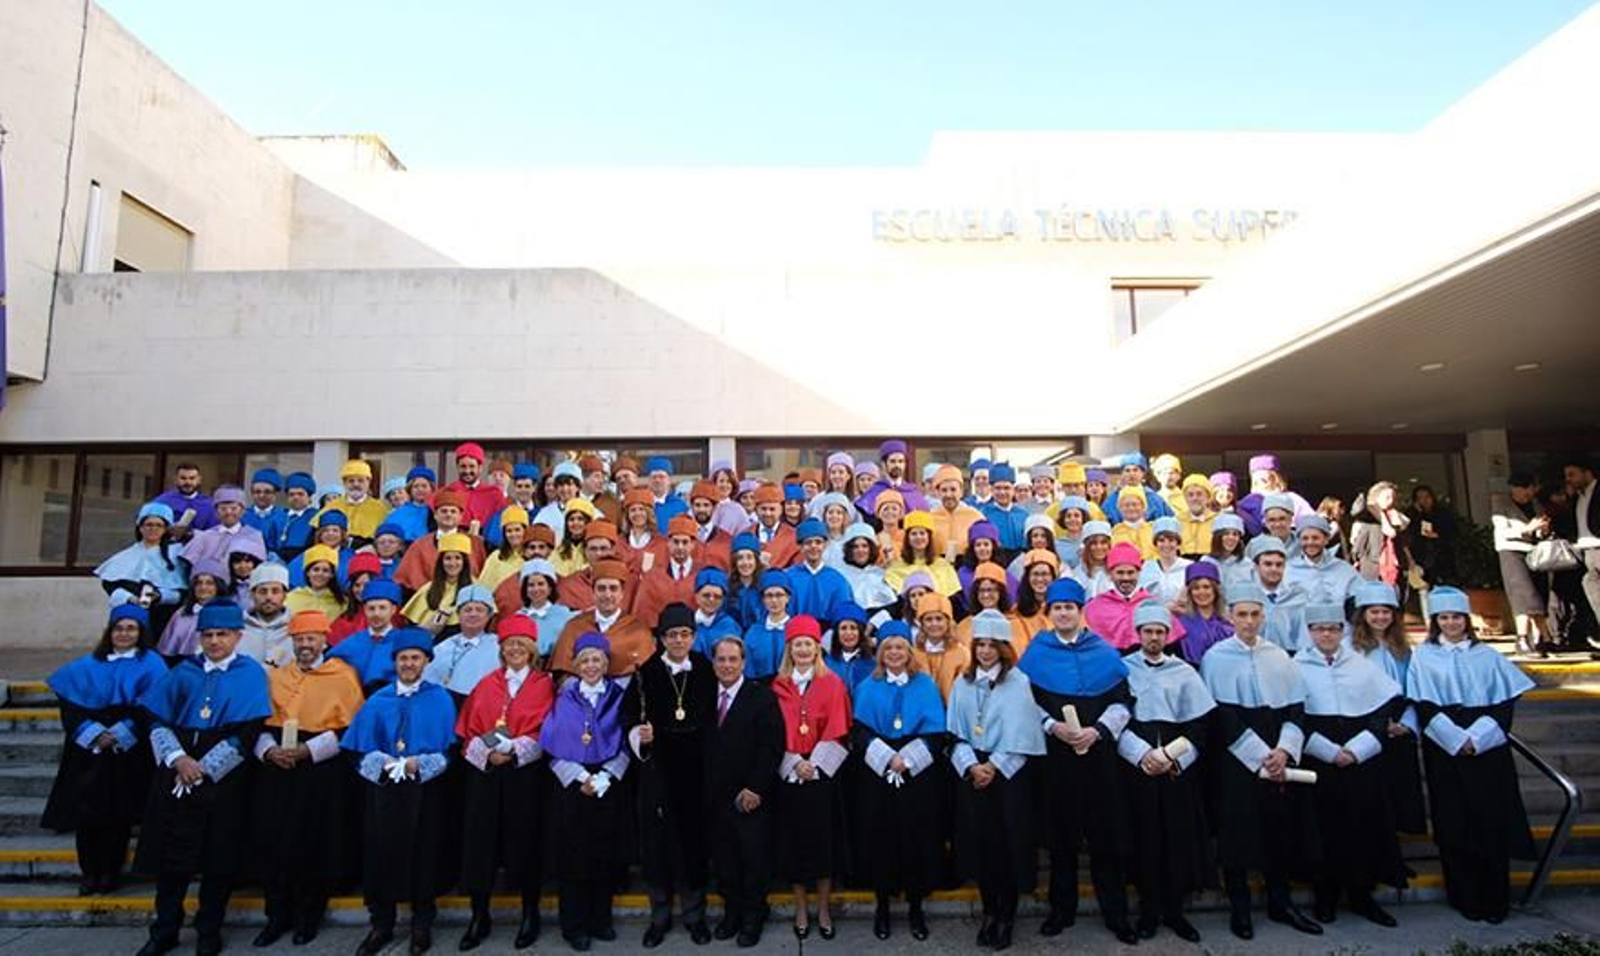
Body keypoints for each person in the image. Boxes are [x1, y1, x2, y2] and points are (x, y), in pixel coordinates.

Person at [132, 599, 271, 956]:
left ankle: (209, 927)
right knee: (171, 858)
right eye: (207, 634)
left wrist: (205, 767)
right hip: (177, 768)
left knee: (218, 857)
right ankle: (165, 928)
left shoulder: (250, 673)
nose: (214, 641)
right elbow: (156, 717)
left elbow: (248, 729)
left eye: (222, 634)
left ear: (238, 636)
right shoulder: (183, 671)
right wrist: (178, 758)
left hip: (223, 774)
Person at [1016, 577, 1138, 943]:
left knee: (1105, 838)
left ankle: (1116, 913)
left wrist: (1098, 730)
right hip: (1056, 758)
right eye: (1058, 608)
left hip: (1099, 757)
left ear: (1080, 611)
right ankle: (1061, 910)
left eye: (1070, 607)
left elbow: (1123, 701)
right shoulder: (1037, 653)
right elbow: (1025, 705)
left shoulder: (1102, 651)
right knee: (1061, 838)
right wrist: (1053, 727)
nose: (1064, 613)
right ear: (1049, 613)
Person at [1199, 584, 1323, 940]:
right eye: (1242, 614)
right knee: (1237, 834)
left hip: (1277, 753)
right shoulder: (1216, 657)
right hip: (1236, 758)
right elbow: (1220, 714)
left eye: (1255, 614)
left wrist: (1283, 750)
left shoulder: (1280, 656)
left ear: (1263, 616)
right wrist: (1259, 756)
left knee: (1278, 830)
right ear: (1230, 616)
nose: (1249, 621)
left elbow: (1295, 708)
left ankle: (1280, 902)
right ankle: (1240, 909)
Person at [1407, 586, 1537, 924]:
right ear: (1435, 621)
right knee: (1454, 822)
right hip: (1444, 748)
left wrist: (1477, 739)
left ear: (1467, 620)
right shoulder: (1422, 656)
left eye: (1457, 617)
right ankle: (1463, 896)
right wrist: (1453, 739)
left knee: (1491, 822)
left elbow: (1504, 704)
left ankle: (1495, 898)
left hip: (1487, 747)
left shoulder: (1490, 656)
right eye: (1444, 618)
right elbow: (1423, 704)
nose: (1451, 623)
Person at [250, 610, 366, 947]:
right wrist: (269, 751)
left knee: (313, 843)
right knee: (275, 841)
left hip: (318, 767)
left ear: (324, 640)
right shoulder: (277, 677)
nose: (305, 645)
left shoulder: (342, 675)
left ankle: (307, 915)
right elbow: (259, 722)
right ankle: (276, 915)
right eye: (300, 639)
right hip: (277, 766)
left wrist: (307, 751)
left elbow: (347, 728)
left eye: (311, 639)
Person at [342, 628, 457, 956]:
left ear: (425, 662)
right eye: (403, 658)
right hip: (384, 791)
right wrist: (383, 761)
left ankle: (421, 925)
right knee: (381, 854)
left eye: (415, 658)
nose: (409, 664)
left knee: (425, 853)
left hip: (424, 790)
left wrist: (421, 764)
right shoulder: (378, 700)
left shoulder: (439, 698)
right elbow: (357, 747)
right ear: (395, 662)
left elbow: (450, 748)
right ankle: (381, 924)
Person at [43, 605, 169, 896]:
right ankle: (90, 873)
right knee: (87, 815)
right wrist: (92, 734)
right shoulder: (86, 665)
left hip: (127, 750)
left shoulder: (152, 664)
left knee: (118, 816)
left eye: (131, 628)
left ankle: (110, 872)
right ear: (109, 632)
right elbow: (70, 706)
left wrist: (121, 733)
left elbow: (150, 705)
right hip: (87, 749)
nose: (124, 634)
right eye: (119, 628)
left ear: (141, 633)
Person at [1294, 603, 1405, 927]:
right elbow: (1292, 715)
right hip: (1319, 761)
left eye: (1332, 628)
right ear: (1310, 632)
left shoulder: (1361, 665)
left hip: (1360, 760)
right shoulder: (1295, 666)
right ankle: (1325, 897)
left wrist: (1357, 750)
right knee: (1322, 830)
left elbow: (1382, 711)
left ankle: (1362, 896)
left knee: (1363, 828)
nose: (1326, 634)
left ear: (1342, 631)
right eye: (1319, 628)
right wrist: (1328, 751)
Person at [944, 610, 1045, 950]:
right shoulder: (963, 681)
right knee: (982, 847)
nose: (985, 651)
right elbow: (955, 732)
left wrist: (995, 766)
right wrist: (973, 765)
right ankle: (988, 911)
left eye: (992, 645)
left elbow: (1025, 733)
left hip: (1007, 775)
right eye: (980, 644)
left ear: (1004, 647)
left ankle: (1006, 915)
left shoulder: (1019, 682)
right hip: (973, 770)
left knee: (1008, 847)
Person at [454, 614, 554, 951]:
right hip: (486, 774)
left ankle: (530, 913)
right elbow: (467, 729)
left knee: (525, 842)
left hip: (525, 775)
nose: (514, 649)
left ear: (531, 649)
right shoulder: (486, 683)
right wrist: (488, 753)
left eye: (520, 645)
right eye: (509, 644)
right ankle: (479, 914)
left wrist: (516, 750)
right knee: (479, 843)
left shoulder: (543, 684)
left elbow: (548, 728)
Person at [622, 604, 719, 948]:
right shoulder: (644, 674)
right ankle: (659, 915)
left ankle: (695, 915)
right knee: (657, 847)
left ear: (693, 636)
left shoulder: (707, 670)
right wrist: (639, 736)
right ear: (660, 638)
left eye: (684, 634)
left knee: (693, 845)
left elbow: (713, 721)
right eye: (671, 635)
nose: (678, 640)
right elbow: (629, 717)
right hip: (657, 772)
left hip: (695, 772)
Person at [1117, 603, 1213, 943]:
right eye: (1148, 631)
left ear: (1168, 634)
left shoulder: (1184, 671)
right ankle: (1148, 910)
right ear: (1138, 634)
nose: (1154, 637)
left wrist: (1175, 760)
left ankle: (1175, 910)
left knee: (1176, 838)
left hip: (1175, 766)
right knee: (1145, 840)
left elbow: (1199, 723)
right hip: (1138, 766)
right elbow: (1116, 718)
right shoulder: (1122, 668)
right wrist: (1140, 755)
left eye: (1160, 631)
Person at [850, 625, 947, 941]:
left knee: (916, 837)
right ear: (880, 654)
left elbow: (935, 733)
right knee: (882, 838)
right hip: (879, 772)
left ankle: (916, 908)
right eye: (888, 648)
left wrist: (907, 759)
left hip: (915, 772)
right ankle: (882, 907)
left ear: (909, 652)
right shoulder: (868, 686)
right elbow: (860, 731)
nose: (894, 653)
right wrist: (887, 758)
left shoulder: (925, 685)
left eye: (900, 648)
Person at [541, 633, 633, 951]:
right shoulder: (563, 698)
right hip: (573, 785)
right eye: (585, 661)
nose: (591, 665)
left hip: (608, 783)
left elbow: (626, 741)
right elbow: (552, 744)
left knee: (604, 853)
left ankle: (600, 919)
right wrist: (579, 776)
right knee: (573, 857)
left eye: (597, 660)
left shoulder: (618, 696)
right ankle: (574, 925)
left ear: (606, 664)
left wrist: (607, 776)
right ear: (576, 665)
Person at [771, 617, 852, 943]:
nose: (802, 649)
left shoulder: (832, 683)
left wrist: (813, 765)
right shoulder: (777, 686)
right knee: (794, 846)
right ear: (789, 648)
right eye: (797, 644)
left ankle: (823, 908)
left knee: (822, 846)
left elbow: (838, 727)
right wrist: (794, 763)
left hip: (821, 778)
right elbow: (771, 731)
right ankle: (801, 907)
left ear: (817, 648)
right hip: (789, 776)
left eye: (808, 644)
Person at [704, 634, 785, 948]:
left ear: (743, 662)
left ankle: (753, 916)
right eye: (721, 659)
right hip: (714, 796)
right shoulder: (703, 695)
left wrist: (755, 787)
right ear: (713, 662)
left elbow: (771, 746)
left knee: (753, 860)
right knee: (725, 860)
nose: (726, 665)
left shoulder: (760, 697)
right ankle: (732, 913)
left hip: (749, 795)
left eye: (732, 659)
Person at [1349, 581, 1427, 836]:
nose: (1380, 617)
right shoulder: (1352, 650)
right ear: (1363, 615)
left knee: (1399, 791)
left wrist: (1406, 723)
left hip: (1399, 726)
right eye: (1374, 611)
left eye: (1386, 611)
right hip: (1366, 724)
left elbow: (1415, 691)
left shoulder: (1404, 650)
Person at [546, 558, 657, 680]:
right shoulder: (574, 626)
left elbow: (648, 675)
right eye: (601, 588)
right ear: (593, 592)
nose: (607, 595)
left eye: (613, 588)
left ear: (622, 593)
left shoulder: (638, 630)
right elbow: (562, 674)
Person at [94, 501, 190, 637]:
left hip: (163, 618)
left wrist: (161, 596)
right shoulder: (125, 555)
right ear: (140, 527)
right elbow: (110, 585)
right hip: (129, 615)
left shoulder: (177, 553)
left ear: (166, 529)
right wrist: (130, 598)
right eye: (149, 525)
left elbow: (184, 591)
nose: (153, 529)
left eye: (159, 525)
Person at [1492, 473, 1557, 654]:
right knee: (1523, 593)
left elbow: (1540, 531)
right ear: (1515, 488)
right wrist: (1528, 529)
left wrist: (1542, 530)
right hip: (1511, 551)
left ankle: (1541, 637)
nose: (1527, 495)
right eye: (1524, 490)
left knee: (1538, 592)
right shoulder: (1500, 503)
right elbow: (1503, 530)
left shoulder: (1535, 504)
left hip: (1534, 553)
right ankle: (1524, 637)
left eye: (1530, 491)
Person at [1085, 541, 1186, 651]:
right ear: (1111, 574)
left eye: (1130, 572)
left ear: (1139, 573)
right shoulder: (1096, 607)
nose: (1126, 578)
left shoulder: (1153, 605)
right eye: (1120, 573)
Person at [327, 579, 412, 694]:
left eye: (382, 608)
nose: (376, 614)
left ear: (393, 610)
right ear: (364, 610)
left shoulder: (405, 643)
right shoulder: (352, 642)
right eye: (371, 608)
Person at [423, 584, 503, 702]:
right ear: (458, 615)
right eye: (467, 610)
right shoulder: (442, 648)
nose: (473, 614)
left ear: (489, 616)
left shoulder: (499, 647)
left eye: (479, 610)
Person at [154, 558, 228, 661]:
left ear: (218, 587)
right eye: (199, 583)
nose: (203, 587)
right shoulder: (181, 613)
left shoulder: (228, 613)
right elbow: (167, 649)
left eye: (209, 583)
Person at [182, 485, 268, 569]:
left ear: (243, 511)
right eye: (223, 509)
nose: (228, 513)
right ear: (216, 512)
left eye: (234, 508)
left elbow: (259, 567)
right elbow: (190, 564)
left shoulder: (254, 536)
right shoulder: (204, 536)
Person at [1350, 480, 1412, 591]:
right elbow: (1357, 546)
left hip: (1394, 563)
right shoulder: (1366, 517)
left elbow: (1402, 540)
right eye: (1386, 497)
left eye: (1392, 497)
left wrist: (1410, 561)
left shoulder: (1395, 516)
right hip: (1372, 563)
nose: (1390, 501)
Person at [788, 518, 854, 622]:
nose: (813, 547)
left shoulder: (838, 580)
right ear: (800, 547)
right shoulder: (789, 577)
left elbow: (844, 615)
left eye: (818, 542)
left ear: (825, 545)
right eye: (808, 543)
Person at [317, 460, 391, 547]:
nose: (356, 484)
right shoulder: (332, 506)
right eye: (351, 481)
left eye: (360, 481)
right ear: (344, 483)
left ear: (368, 483)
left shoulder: (381, 508)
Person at [911, 592, 971, 699]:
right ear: (922, 624)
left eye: (939, 619)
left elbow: (966, 691)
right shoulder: (914, 654)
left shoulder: (961, 654)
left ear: (948, 622)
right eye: (928, 619)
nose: (934, 624)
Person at [1172, 562, 1234, 665]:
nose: (1201, 592)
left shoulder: (1228, 625)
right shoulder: (1180, 626)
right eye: (1196, 588)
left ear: (1215, 590)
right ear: (1190, 592)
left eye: (1206, 587)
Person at [444, 442, 509, 532]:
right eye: (463, 466)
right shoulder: (449, 492)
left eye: (472, 466)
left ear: (480, 468)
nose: (467, 471)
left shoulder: (494, 494)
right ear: (457, 467)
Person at [152, 462, 218, 541]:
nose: (188, 482)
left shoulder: (210, 504)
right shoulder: (162, 502)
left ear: (199, 480)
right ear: (175, 479)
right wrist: (168, 529)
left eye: (192, 478)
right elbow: (147, 524)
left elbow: (217, 531)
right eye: (183, 478)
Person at [979, 463, 1029, 551]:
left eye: (1006, 488)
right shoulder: (983, 514)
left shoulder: (1024, 514)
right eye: (998, 488)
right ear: (991, 490)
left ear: (1013, 490)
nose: (1002, 492)